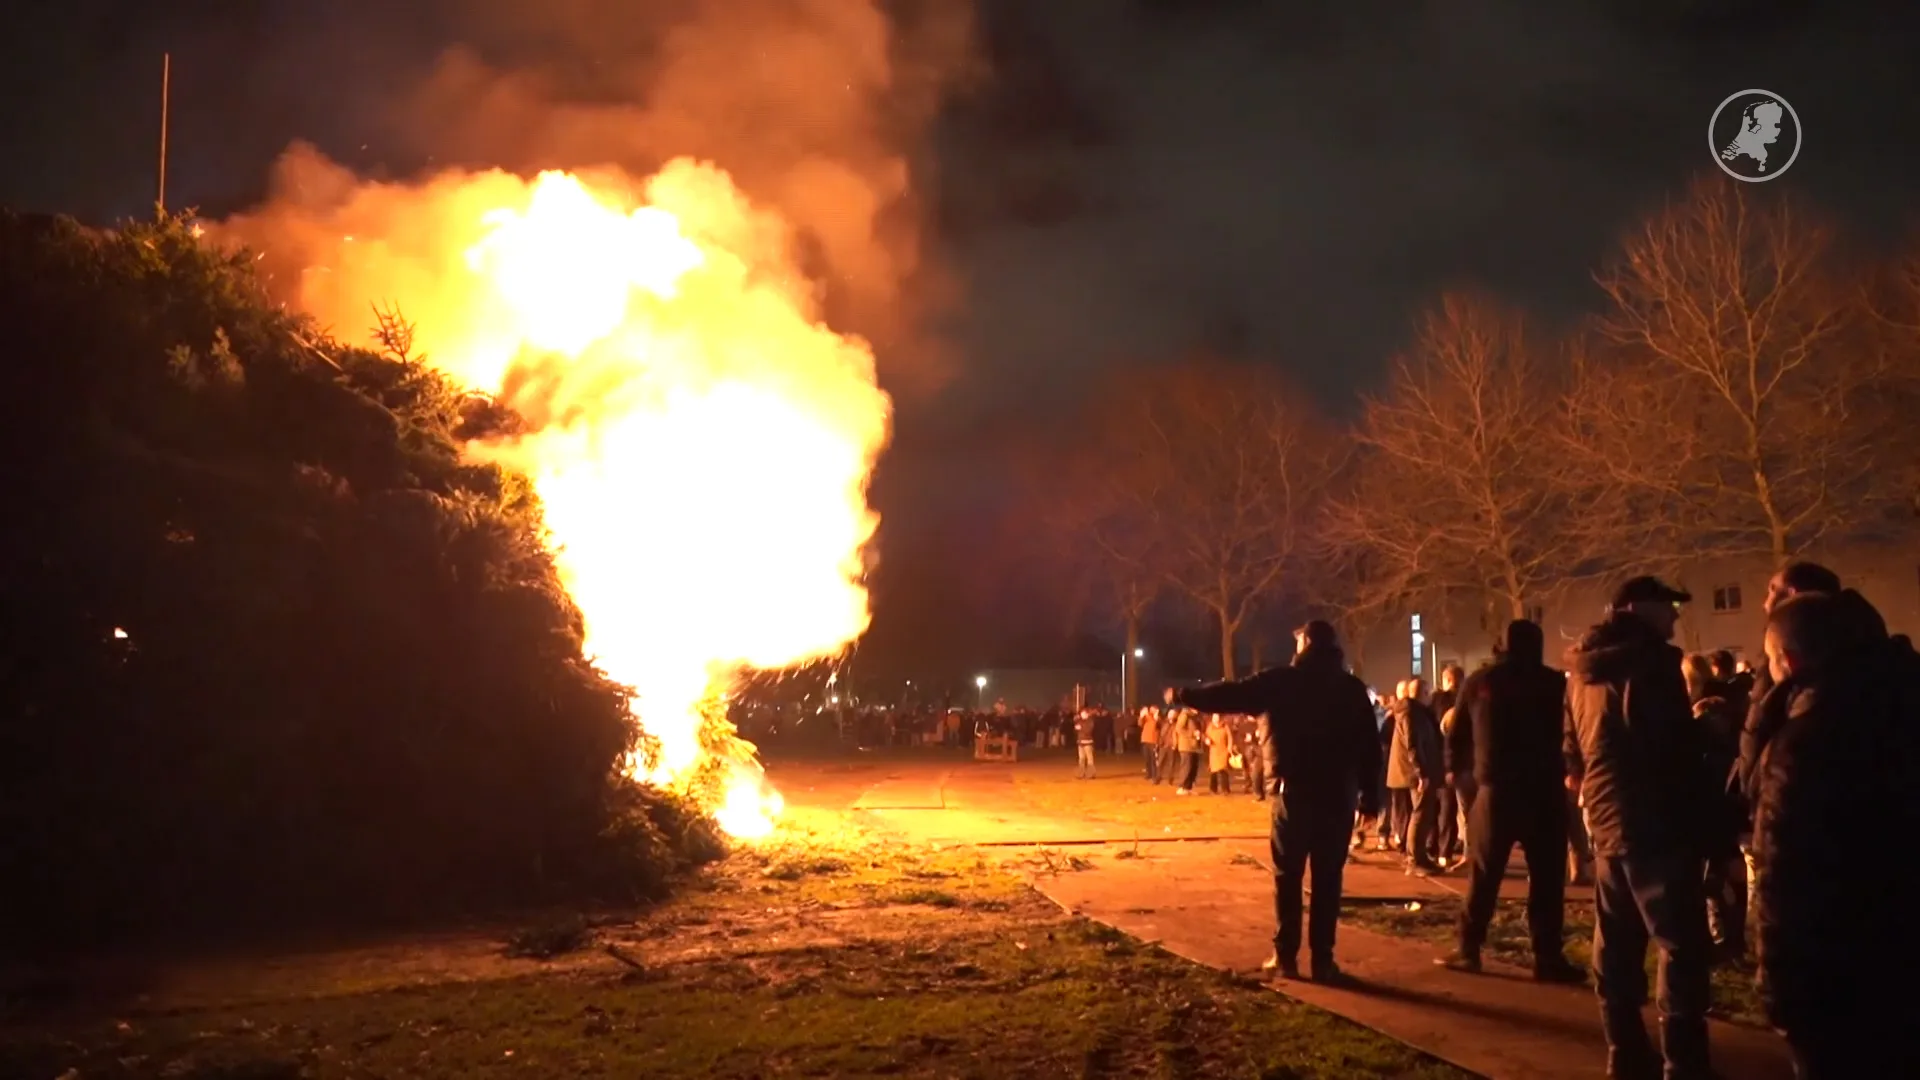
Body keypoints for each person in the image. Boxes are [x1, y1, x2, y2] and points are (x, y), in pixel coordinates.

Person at [1751, 591, 1920, 1077]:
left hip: (1842, 976)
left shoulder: (1805, 742)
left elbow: (1784, 879)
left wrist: (1779, 990)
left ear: (1789, 660)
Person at [1564, 577, 1714, 1080]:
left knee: (1618, 941)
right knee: (1681, 942)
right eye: (1668, 607)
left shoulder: (1581, 670)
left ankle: (1624, 1052)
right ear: (1638, 609)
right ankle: (1684, 1061)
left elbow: (1574, 745)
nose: (1674, 618)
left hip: (1607, 818)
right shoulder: (1654, 663)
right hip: (1657, 820)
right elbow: (1670, 747)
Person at [1174, 620, 1381, 984]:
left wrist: (1187, 695)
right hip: (1338, 795)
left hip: (1294, 791)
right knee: (1328, 880)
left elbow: (1232, 695)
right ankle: (1323, 961)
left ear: (1305, 643)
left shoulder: (1283, 681)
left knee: (1288, 877)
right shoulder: (1351, 689)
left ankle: (1285, 956)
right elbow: (1369, 746)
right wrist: (1370, 798)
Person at [1436, 621, 1583, 981]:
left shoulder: (1481, 682)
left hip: (1497, 789)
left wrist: (1459, 770)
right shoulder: (1554, 683)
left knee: (1484, 875)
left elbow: (1457, 734)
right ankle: (1547, 957)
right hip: (1544, 789)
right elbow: (1573, 731)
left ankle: (1469, 948)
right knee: (1547, 878)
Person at [1682, 654, 1746, 960]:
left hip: (1710, 819)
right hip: (1728, 815)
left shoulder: (1701, 749)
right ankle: (1733, 937)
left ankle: (1721, 937)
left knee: (1712, 881)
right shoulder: (1733, 742)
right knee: (1729, 874)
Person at [1387, 679, 1444, 874]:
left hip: (1411, 771)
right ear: (1423, 693)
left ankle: (1417, 856)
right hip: (1414, 773)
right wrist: (1422, 772)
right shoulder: (1411, 713)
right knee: (1420, 813)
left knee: (1420, 813)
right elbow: (1413, 744)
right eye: (1428, 692)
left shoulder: (1412, 712)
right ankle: (1415, 859)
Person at [1433, 663, 1470, 867]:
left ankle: (1444, 851)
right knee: (1467, 811)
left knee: (1446, 808)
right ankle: (1467, 850)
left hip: (1446, 763)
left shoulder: (1438, 702)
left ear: (1446, 680)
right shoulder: (1470, 700)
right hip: (1468, 764)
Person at [1206, 713, 1235, 793]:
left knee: (1223, 770)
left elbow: (1230, 737)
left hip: (1223, 750)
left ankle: (1225, 789)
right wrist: (1207, 740)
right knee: (1213, 771)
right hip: (1213, 751)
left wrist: (1229, 747)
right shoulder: (1210, 727)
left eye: (1217, 717)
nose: (1216, 719)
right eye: (1214, 718)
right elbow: (1206, 736)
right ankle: (1213, 789)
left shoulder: (1225, 726)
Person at [1139, 705, 1162, 783]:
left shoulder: (1158, 718)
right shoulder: (1147, 717)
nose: (1151, 711)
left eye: (1153, 709)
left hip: (1153, 741)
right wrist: (1141, 716)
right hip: (1145, 740)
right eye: (1150, 709)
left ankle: (1155, 775)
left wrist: (1155, 718)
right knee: (1147, 758)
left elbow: (1158, 725)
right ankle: (1149, 774)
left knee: (1153, 759)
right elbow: (1140, 724)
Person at [1074, 709, 1098, 779]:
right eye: (1081, 714)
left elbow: (1088, 730)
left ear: (1087, 714)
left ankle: (1091, 774)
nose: (1082, 715)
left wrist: (1080, 728)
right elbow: (1077, 731)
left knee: (1089, 759)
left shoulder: (1090, 721)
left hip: (1088, 742)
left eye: (1084, 713)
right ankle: (1080, 774)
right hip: (1080, 742)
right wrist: (1077, 729)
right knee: (1081, 759)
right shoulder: (1079, 721)